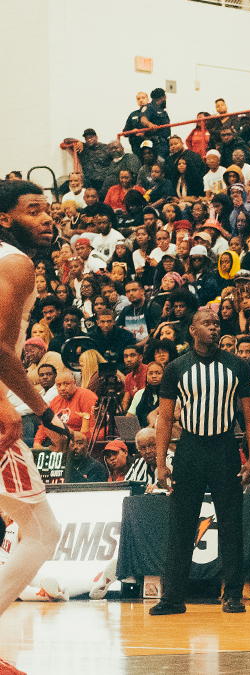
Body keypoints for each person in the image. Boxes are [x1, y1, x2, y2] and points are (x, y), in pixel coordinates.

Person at [150, 307, 250, 616]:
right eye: (206, 323)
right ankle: (172, 598)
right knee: (181, 525)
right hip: (190, 449)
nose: (214, 328)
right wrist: (161, 462)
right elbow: (165, 418)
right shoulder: (175, 368)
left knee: (230, 524)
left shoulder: (237, 366)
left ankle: (233, 595)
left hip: (225, 448)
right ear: (193, 331)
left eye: (216, 323)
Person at [0, 182, 69, 650]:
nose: (47, 218)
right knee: (43, 532)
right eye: (33, 210)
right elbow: (0, 349)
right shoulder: (15, 263)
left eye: (48, 209)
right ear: (6, 218)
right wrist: (37, 410)